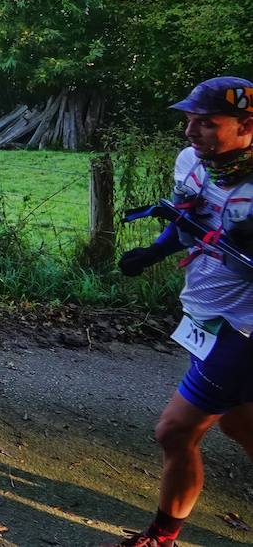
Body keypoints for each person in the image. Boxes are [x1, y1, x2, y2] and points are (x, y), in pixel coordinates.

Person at [112, 77, 253, 547]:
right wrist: (151, 253)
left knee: (174, 431)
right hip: (207, 316)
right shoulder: (192, 162)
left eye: (208, 123)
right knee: (238, 423)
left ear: (248, 126)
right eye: (189, 120)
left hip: (245, 329)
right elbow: (186, 220)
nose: (191, 132)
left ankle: (161, 536)